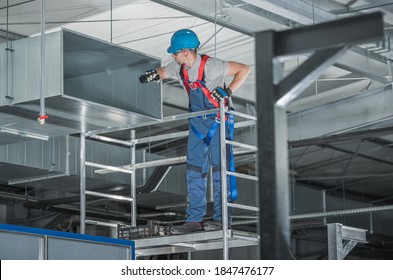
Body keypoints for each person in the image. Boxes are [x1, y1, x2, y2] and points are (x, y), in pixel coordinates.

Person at [139, 29, 250, 234]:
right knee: (194, 171)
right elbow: (165, 71)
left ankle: (222, 218)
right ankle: (194, 220)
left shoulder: (212, 65)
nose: (173, 56)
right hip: (197, 123)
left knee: (219, 170)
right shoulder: (179, 67)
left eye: (175, 52)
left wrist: (229, 90)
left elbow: (244, 69)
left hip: (218, 121)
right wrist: (154, 75)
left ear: (186, 52)